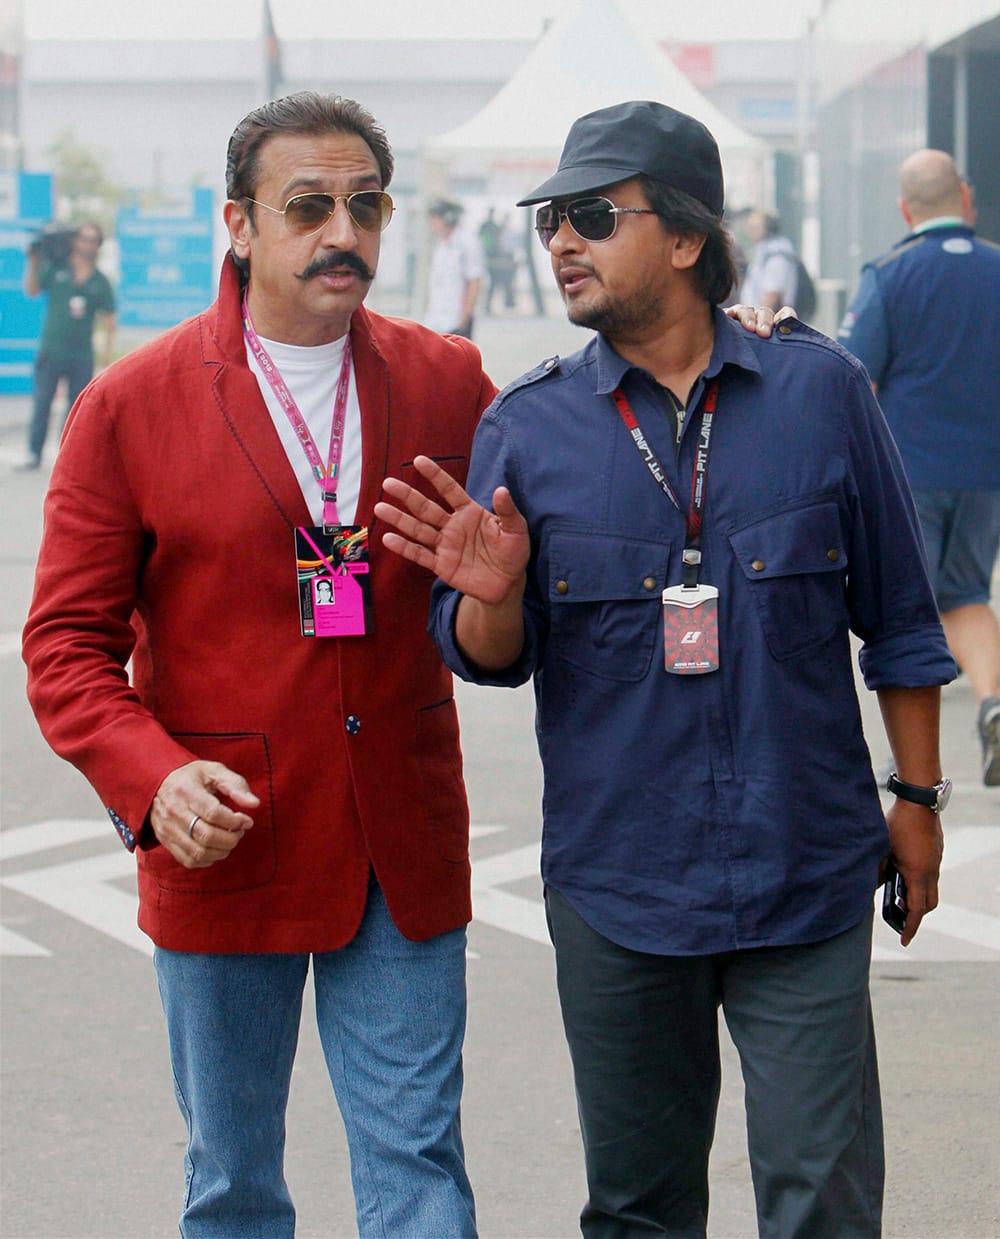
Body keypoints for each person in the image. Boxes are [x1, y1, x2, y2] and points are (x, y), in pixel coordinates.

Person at [376, 100, 955, 1238]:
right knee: (638, 1209)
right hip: (618, 885)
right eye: (551, 221)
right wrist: (490, 601)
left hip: (807, 869)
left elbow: (898, 615)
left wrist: (919, 800)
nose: (560, 243)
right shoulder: (528, 428)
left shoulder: (820, 393)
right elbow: (488, 658)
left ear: (686, 237)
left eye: (592, 214)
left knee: (823, 1201)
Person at [22, 91, 498, 1239]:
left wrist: (729, 338)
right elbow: (64, 647)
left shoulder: (448, 382)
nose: (344, 233)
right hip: (222, 834)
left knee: (420, 1174)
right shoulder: (132, 405)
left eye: (365, 205)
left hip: (401, 836)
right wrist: (151, 777)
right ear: (238, 223)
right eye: (309, 207)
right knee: (232, 1185)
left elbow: (577, 459)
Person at [839, 148, 1000, 786]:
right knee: (967, 592)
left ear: (906, 209)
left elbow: (857, 381)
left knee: (907, 611)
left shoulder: (889, 274)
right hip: (987, 472)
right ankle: (993, 701)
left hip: (911, 472)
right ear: (965, 197)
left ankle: (908, 760)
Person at [18, 220, 115, 470]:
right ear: (74, 241)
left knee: (76, 407)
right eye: (83, 238)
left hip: (81, 353)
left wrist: (106, 353)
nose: (87, 244)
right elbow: (31, 289)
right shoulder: (56, 269)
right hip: (52, 348)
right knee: (42, 402)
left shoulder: (99, 281)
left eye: (93, 240)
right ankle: (33, 453)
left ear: (98, 246)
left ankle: (67, 457)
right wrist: (33, 260)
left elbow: (109, 317)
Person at [425, 197, 484, 339]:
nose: (432, 223)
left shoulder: (466, 243)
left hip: (455, 320)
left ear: (448, 218)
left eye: (436, 218)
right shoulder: (441, 244)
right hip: (436, 318)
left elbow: (474, 282)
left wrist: (463, 320)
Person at [738, 208, 799, 311]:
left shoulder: (777, 256)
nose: (749, 231)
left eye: (754, 227)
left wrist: (759, 320)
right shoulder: (762, 253)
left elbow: (772, 293)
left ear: (768, 229)